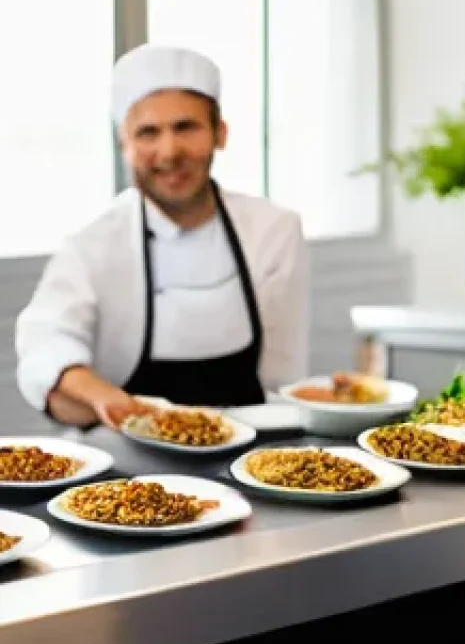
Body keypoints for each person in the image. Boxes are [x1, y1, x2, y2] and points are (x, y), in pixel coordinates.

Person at [16, 44, 310, 429]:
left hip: (252, 444)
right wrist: (104, 398)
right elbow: (46, 344)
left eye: (185, 127)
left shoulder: (274, 230)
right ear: (125, 146)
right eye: (148, 133)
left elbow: (284, 370)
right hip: (132, 452)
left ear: (220, 134)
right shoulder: (91, 246)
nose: (169, 151)